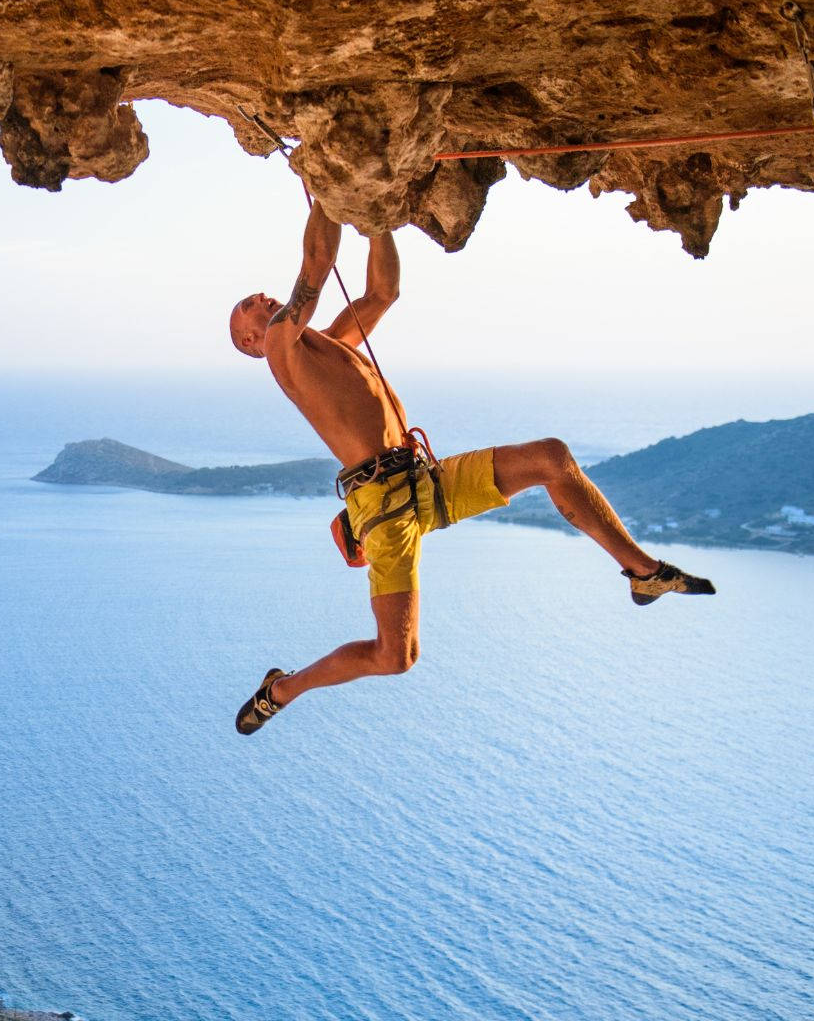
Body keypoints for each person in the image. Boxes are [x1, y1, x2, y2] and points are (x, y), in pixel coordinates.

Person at [225, 199, 714, 736]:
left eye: (256, 297)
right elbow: (316, 264)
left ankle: (644, 575)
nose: (260, 298)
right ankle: (281, 690)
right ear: (252, 340)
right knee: (397, 655)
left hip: (423, 479)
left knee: (552, 458)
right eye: (249, 305)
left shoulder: (329, 344)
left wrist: (377, 216)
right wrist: (332, 186)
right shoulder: (280, 348)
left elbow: (382, 292)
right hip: (384, 510)